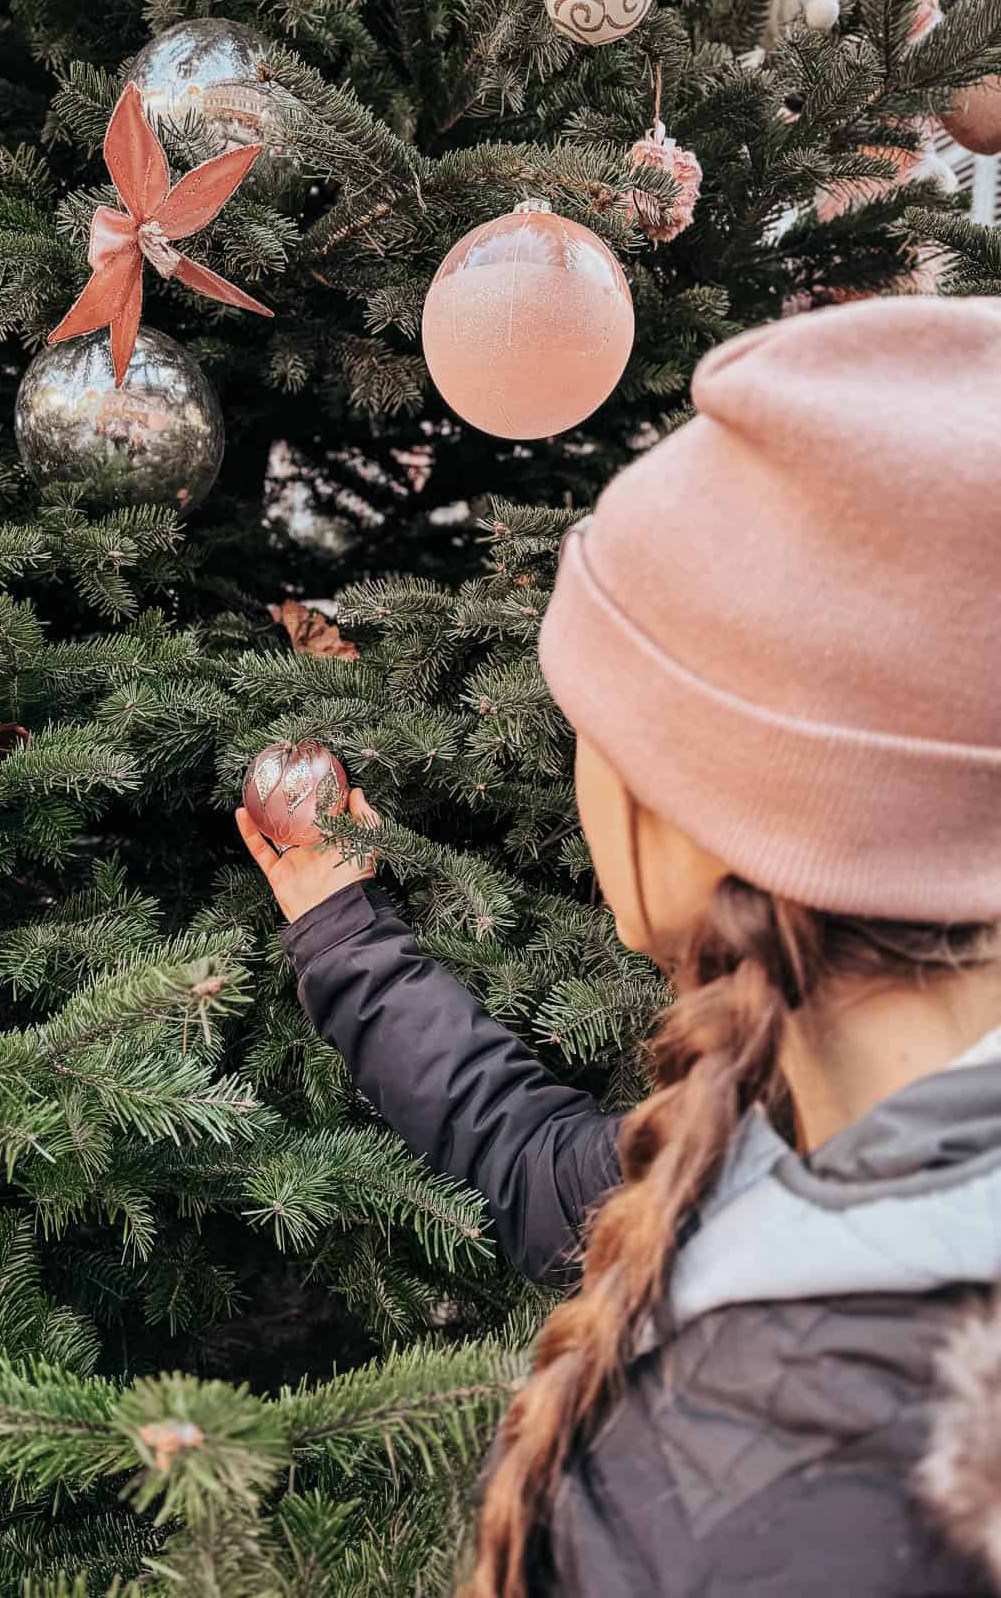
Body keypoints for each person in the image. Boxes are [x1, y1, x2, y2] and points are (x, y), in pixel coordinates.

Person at [236, 295, 1001, 1597]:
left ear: (675, 819)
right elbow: (541, 1166)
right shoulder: (823, 1147)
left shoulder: (741, 1506)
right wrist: (342, 921)